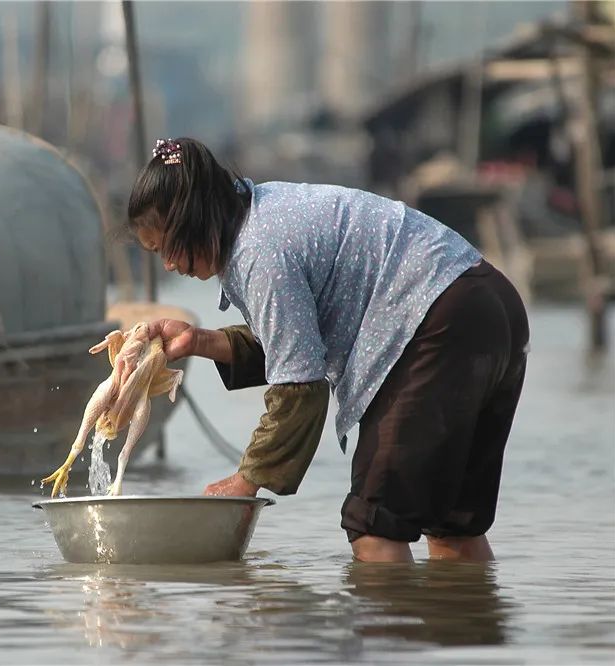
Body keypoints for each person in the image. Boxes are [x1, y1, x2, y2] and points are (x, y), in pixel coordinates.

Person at [130, 138, 529, 563]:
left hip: (436, 321)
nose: (168, 265)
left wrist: (247, 480)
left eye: (166, 247)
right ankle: (466, 606)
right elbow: (297, 346)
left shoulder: (259, 252)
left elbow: (299, 385)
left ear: (192, 218)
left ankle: (391, 610)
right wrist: (200, 341)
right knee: (453, 527)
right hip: (487, 304)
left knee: (374, 527)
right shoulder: (262, 211)